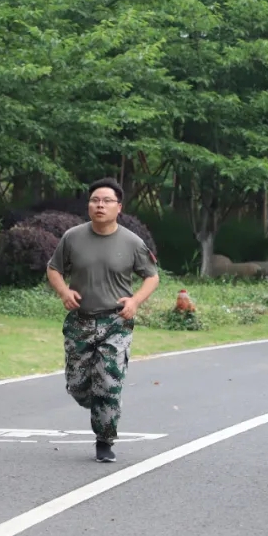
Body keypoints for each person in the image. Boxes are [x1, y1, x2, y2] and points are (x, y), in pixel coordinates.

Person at [46, 178, 160, 463]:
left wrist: (134, 301)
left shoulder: (132, 243)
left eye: (106, 201)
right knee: (78, 385)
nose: (100, 205)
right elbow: (54, 269)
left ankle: (105, 440)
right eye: (95, 200)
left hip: (115, 322)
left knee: (109, 383)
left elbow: (152, 277)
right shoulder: (73, 237)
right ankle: (98, 404)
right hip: (80, 322)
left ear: (118, 207)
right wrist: (64, 291)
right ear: (89, 205)